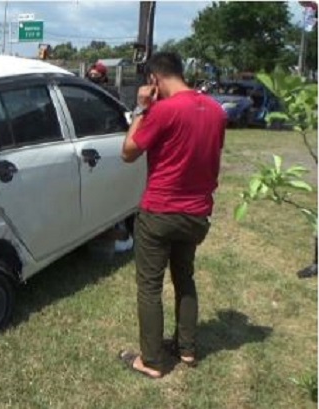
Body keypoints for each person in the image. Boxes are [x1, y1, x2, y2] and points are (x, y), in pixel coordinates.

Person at [117, 52, 226, 379]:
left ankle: (150, 360)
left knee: (149, 286)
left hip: (161, 211)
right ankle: (188, 349)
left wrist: (140, 107)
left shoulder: (163, 110)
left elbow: (128, 151)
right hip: (196, 214)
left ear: (154, 80)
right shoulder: (216, 111)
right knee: (185, 278)